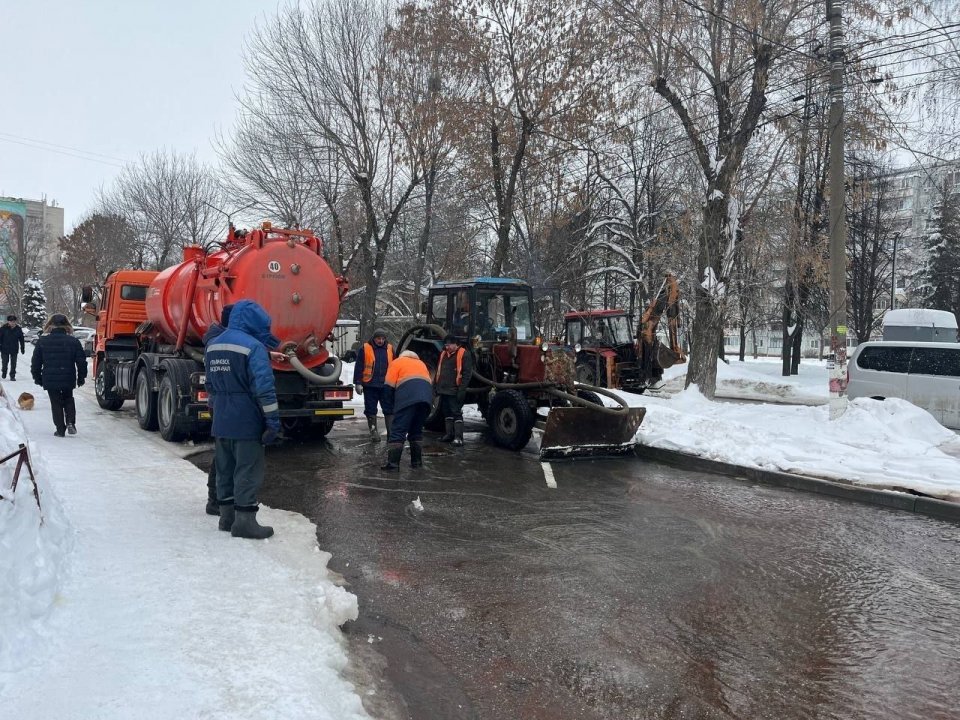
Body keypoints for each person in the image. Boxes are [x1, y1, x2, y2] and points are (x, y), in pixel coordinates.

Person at [204, 299, 282, 540]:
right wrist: (272, 421)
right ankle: (245, 521)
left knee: (225, 468)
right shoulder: (253, 347)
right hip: (246, 418)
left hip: (222, 417)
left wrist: (216, 411)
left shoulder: (213, 345)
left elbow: (210, 386)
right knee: (247, 468)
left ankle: (227, 518)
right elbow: (264, 388)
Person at [201, 304, 234, 517]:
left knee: (225, 452)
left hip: (221, 403)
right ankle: (215, 499)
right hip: (223, 404)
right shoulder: (219, 343)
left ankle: (219, 498)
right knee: (224, 453)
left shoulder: (216, 340)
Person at [30, 314, 86, 437]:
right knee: (68, 398)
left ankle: (60, 429)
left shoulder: (43, 341)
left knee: (55, 402)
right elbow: (81, 361)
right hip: (68, 376)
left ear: (50, 325)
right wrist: (81, 377)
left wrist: (37, 377)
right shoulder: (73, 342)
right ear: (67, 325)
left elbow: (36, 362)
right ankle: (70, 421)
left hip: (50, 377)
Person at [380, 350, 433, 470]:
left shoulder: (396, 362)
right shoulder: (421, 363)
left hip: (408, 398)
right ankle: (417, 463)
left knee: (398, 430)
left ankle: (393, 464)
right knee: (416, 431)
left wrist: (389, 408)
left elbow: (388, 386)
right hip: (426, 400)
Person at [352, 327, 394, 442]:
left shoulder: (390, 348)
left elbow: (395, 366)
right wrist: (358, 383)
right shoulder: (365, 348)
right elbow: (359, 366)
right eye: (378, 338)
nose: (381, 341)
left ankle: (391, 434)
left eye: (383, 338)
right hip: (370, 385)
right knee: (371, 409)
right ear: (374, 338)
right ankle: (374, 432)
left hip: (386, 385)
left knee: (389, 409)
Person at [435, 334, 474, 446]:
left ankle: (458, 438)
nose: (447, 347)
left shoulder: (464, 354)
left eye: (449, 345)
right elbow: (438, 370)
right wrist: (436, 386)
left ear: (455, 344)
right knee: (446, 412)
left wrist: (462, 390)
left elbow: (467, 374)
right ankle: (449, 435)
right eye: (446, 345)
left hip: (454, 390)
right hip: (443, 389)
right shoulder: (443, 353)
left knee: (456, 412)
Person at [0, 314, 25, 381]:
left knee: (13, 363)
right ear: (8, 321)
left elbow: (21, 339)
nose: (12, 323)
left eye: (14, 321)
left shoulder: (18, 329)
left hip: (14, 349)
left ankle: (12, 376)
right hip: (4, 349)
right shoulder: (3, 328)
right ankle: (4, 372)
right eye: (11, 321)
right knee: (5, 363)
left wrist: (22, 348)